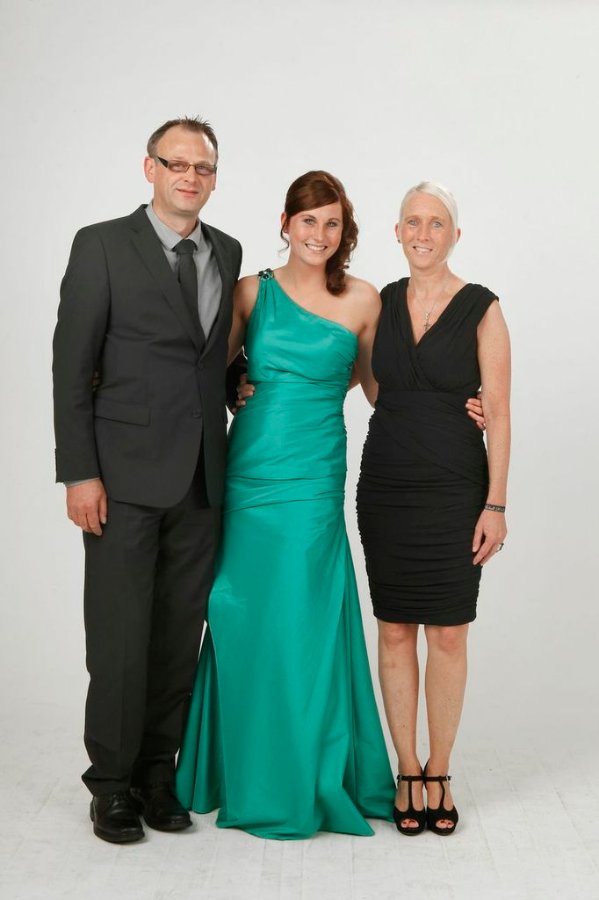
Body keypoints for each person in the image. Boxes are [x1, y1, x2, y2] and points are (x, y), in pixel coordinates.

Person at [175, 171, 397, 840]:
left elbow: (382, 392)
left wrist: (461, 402)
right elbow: (205, 367)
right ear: (285, 223)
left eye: (331, 223)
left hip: (314, 474)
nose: (318, 234)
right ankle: (244, 768)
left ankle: (307, 771)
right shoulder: (252, 291)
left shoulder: (363, 301)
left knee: (303, 616)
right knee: (241, 609)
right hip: (250, 471)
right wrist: (232, 382)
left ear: (343, 230)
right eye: (308, 221)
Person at [52, 117, 242, 843]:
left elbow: (204, 356)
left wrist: (241, 383)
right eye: (177, 163)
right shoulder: (101, 245)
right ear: (150, 168)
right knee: (120, 637)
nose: (190, 177)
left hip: (201, 479)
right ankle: (111, 784)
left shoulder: (226, 251)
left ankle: (159, 775)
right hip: (122, 479)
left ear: (215, 178)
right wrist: (79, 473)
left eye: (203, 167)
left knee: (176, 636)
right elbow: (72, 368)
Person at [356, 181, 510, 835]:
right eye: (412, 222)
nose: (423, 233)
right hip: (387, 488)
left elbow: (499, 412)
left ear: (455, 235)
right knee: (393, 629)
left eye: (436, 222)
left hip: (455, 491)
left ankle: (439, 770)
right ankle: (407, 767)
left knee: (448, 632)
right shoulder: (378, 303)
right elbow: (370, 386)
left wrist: (495, 504)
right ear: (396, 232)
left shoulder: (482, 307)